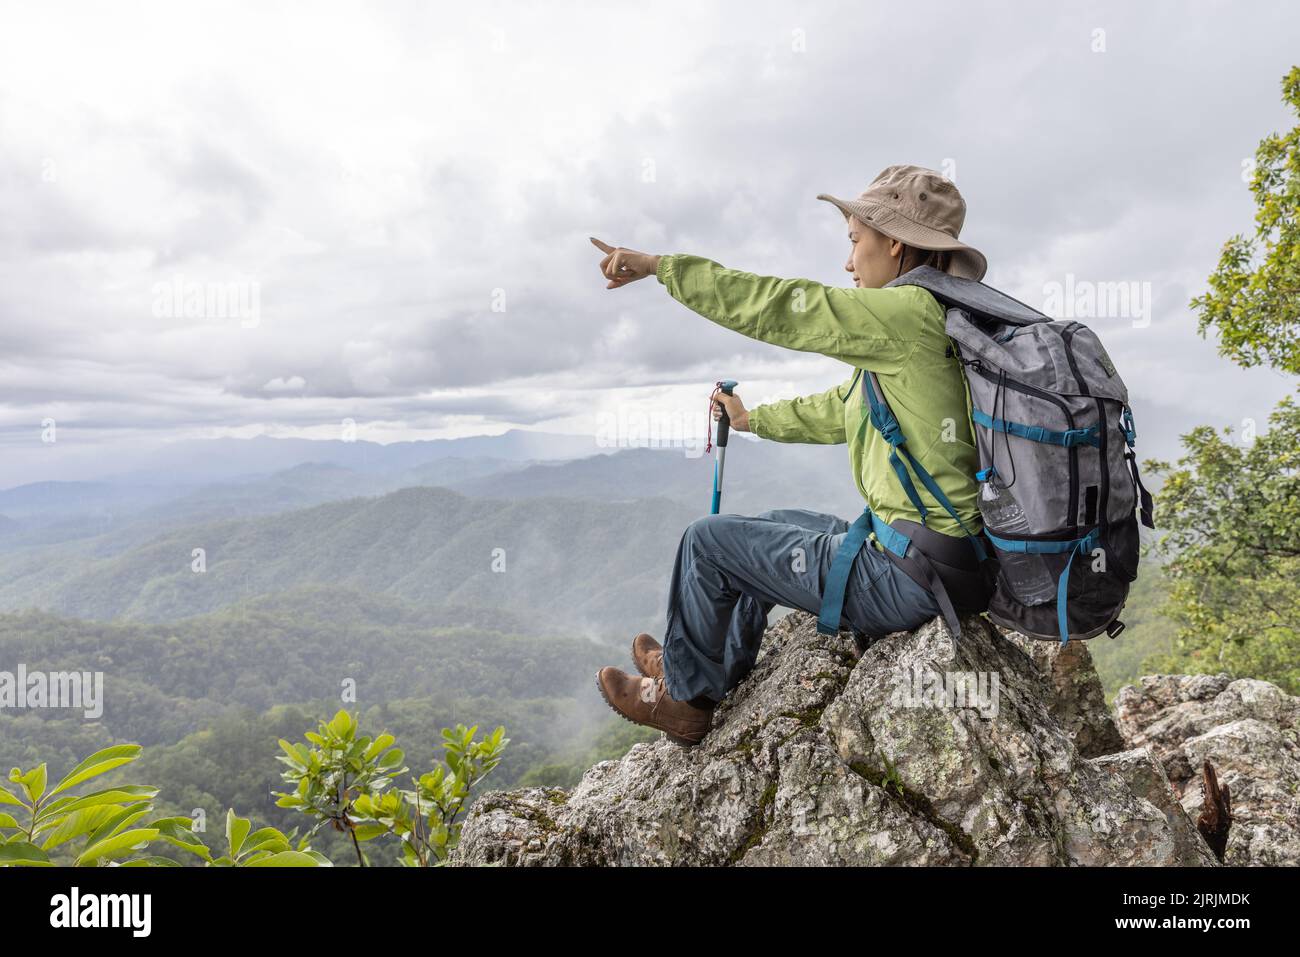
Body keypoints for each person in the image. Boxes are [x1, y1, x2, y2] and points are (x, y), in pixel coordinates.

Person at [588, 164, 992, 746]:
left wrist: (660, 267)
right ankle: (703, 661)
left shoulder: (909, 314)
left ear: (896, 242)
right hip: (942, 560)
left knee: (708, 541)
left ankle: (684, 699)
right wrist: (753, 420)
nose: (849, 263)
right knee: (768, 527)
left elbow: (782, 306)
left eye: (855, 242)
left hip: (910, 576)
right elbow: (849, 407)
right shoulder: (942, 317)